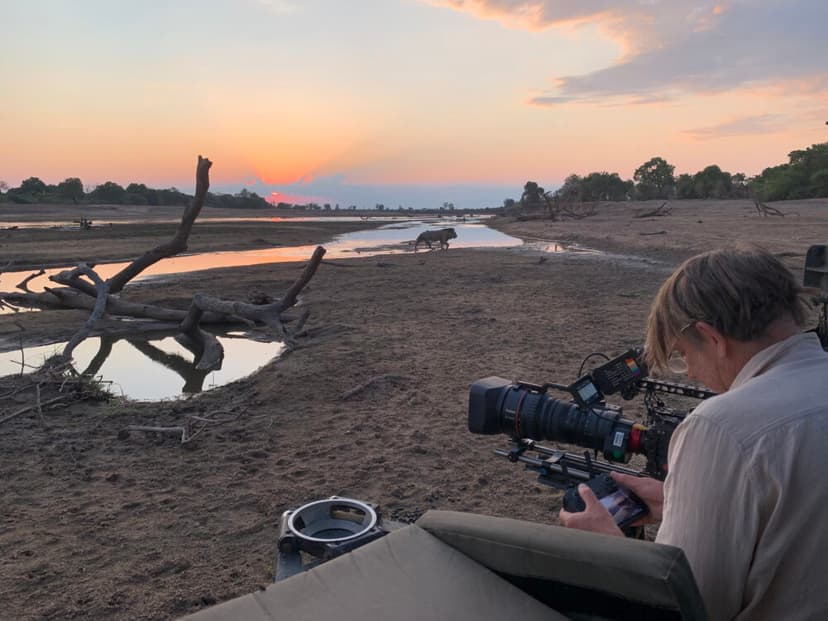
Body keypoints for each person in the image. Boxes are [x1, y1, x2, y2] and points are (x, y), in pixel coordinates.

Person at [559, 245, 828, 620]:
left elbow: (685, 609)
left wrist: (610, 548)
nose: (693, 374)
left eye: (684, 355)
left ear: (713, 339)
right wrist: (679, 504)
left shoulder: (719, 427)